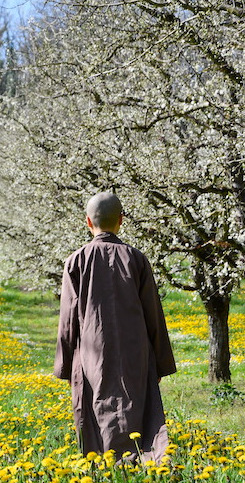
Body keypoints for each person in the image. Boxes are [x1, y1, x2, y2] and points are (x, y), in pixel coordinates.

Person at [54, 192, 176, 463]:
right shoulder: (136, 259)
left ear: (88, 221)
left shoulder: (75, 261)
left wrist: (65, 366)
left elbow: (67, 319)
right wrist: (160, 362)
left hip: (90, 353)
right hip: (136, 352)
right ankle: (142, 462)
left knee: (97, 408)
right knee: (137, 408)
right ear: (121, 220)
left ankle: (105, 466)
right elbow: (153, 314)